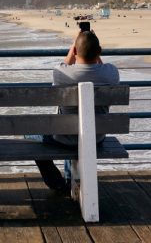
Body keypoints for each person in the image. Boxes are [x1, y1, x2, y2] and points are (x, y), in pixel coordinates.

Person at [35, 31, 120, 192]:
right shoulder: (111, 73)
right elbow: (101, 66)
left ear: (74, 51)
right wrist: (92, 50)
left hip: (65, 139)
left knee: (30, 137)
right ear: (99, 51)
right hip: (97, 137)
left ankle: (58, 184)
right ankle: (70, 180)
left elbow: (65, 65)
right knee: (70, 127)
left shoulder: (61, 74)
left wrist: (74, 46)